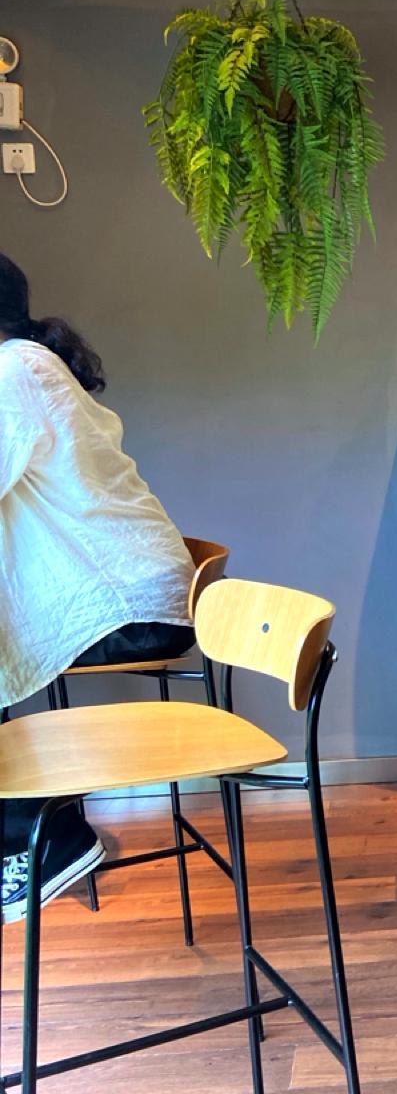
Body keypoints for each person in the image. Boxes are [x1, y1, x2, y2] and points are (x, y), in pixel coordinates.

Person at [0, 251, 195, 922]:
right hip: (135, 593)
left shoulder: (15, 373)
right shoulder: (26, 365)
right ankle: (35, 831)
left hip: (132, 607)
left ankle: (43, 839)